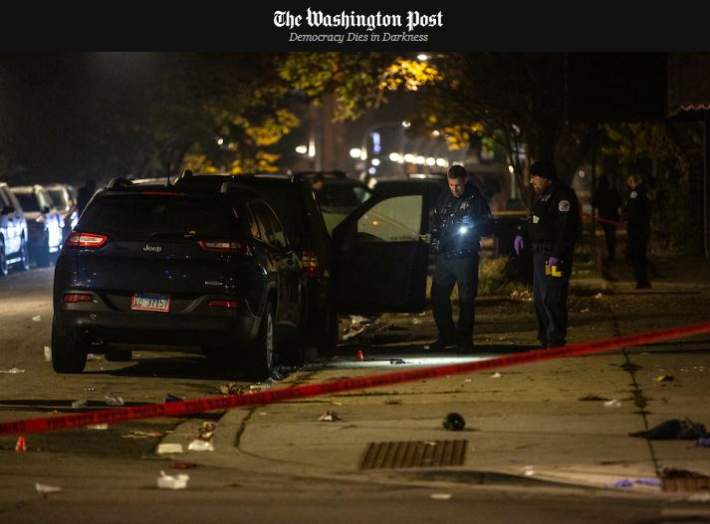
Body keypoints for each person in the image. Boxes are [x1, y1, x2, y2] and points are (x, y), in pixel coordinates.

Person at [513, 160, 580, 348]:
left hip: (553, 258)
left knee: (552, 297)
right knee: (540, 300)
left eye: (534, 177)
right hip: (540, 256)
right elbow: (533, 220)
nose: (531, 181)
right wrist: (521, 235)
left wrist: (557, 255)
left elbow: (566, 229)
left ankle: (555, 339)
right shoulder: (543, 197)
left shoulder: (562, 197)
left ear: (546, 178)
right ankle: (545, 338)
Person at [429, 165, 495, 353]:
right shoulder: (444, 197)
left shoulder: (477, 201)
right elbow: (437, 222)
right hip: (445, 256)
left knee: (466, 300)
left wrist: (474, 224)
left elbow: (489, 227)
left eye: (458, 185)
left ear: (465, 181)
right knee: (438, 296)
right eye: (451, 185)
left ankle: (465, 340)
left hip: (465, 256)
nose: (454, 189)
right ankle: (446, 335)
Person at [622, 174, 652, 289]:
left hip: (636, 229)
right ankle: (643, 280)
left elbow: (633, 211)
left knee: (632, 254)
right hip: (643, 228)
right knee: (640, 255)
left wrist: (628, 222)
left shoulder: (635, 193)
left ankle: (641, 280)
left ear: (631, 182)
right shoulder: (645, 192)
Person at [592, 176, 622, 263]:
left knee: (610, 236)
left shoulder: (601, 193)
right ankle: (611, 254)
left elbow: (594, 204)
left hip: (606, 217)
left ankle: (611, 254)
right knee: (611, 235)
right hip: (611, 217)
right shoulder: (611, 192)